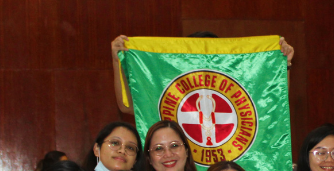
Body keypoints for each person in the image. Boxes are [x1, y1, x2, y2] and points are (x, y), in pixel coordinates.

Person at [111, 33, 297, 114]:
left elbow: (272, 104)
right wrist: (117, 60)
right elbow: (127, 106)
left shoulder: (233, 92)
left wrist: (283, 63)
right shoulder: (173, 94)